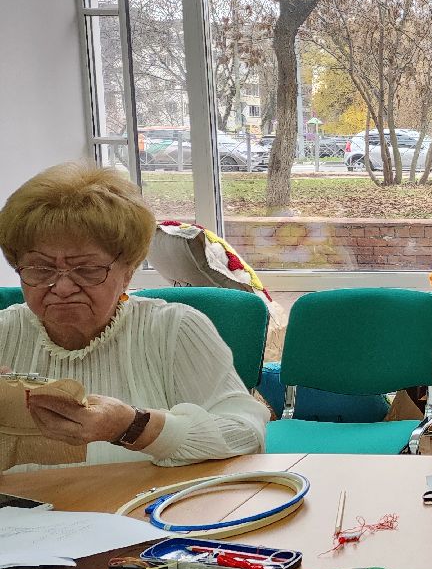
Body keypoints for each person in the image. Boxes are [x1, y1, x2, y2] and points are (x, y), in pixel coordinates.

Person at [0, 162, 267, 472]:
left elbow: (247, 434)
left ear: (128, 272)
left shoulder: (174, 329)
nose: (61, 287)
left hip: (149, 514)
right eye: (41, 269)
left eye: (87, 270)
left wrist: (133, 427)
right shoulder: (5, 332)